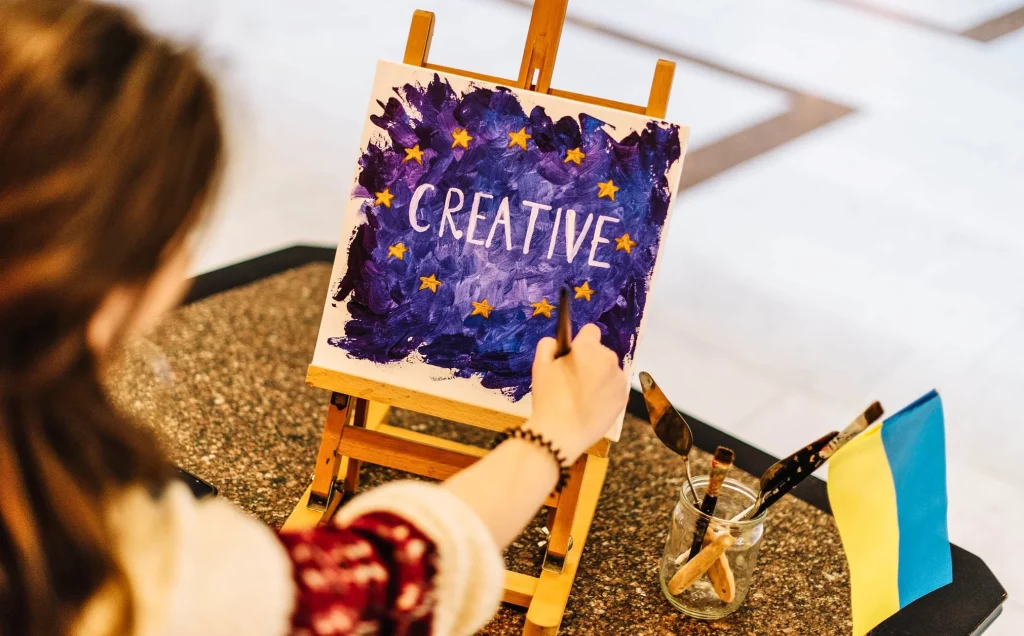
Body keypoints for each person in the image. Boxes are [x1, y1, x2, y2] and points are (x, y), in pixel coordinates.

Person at [0, 1, 629, 634]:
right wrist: (551, 436)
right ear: (99, 287)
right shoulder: (127, 576)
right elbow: (375, 582)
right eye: (177, 238)